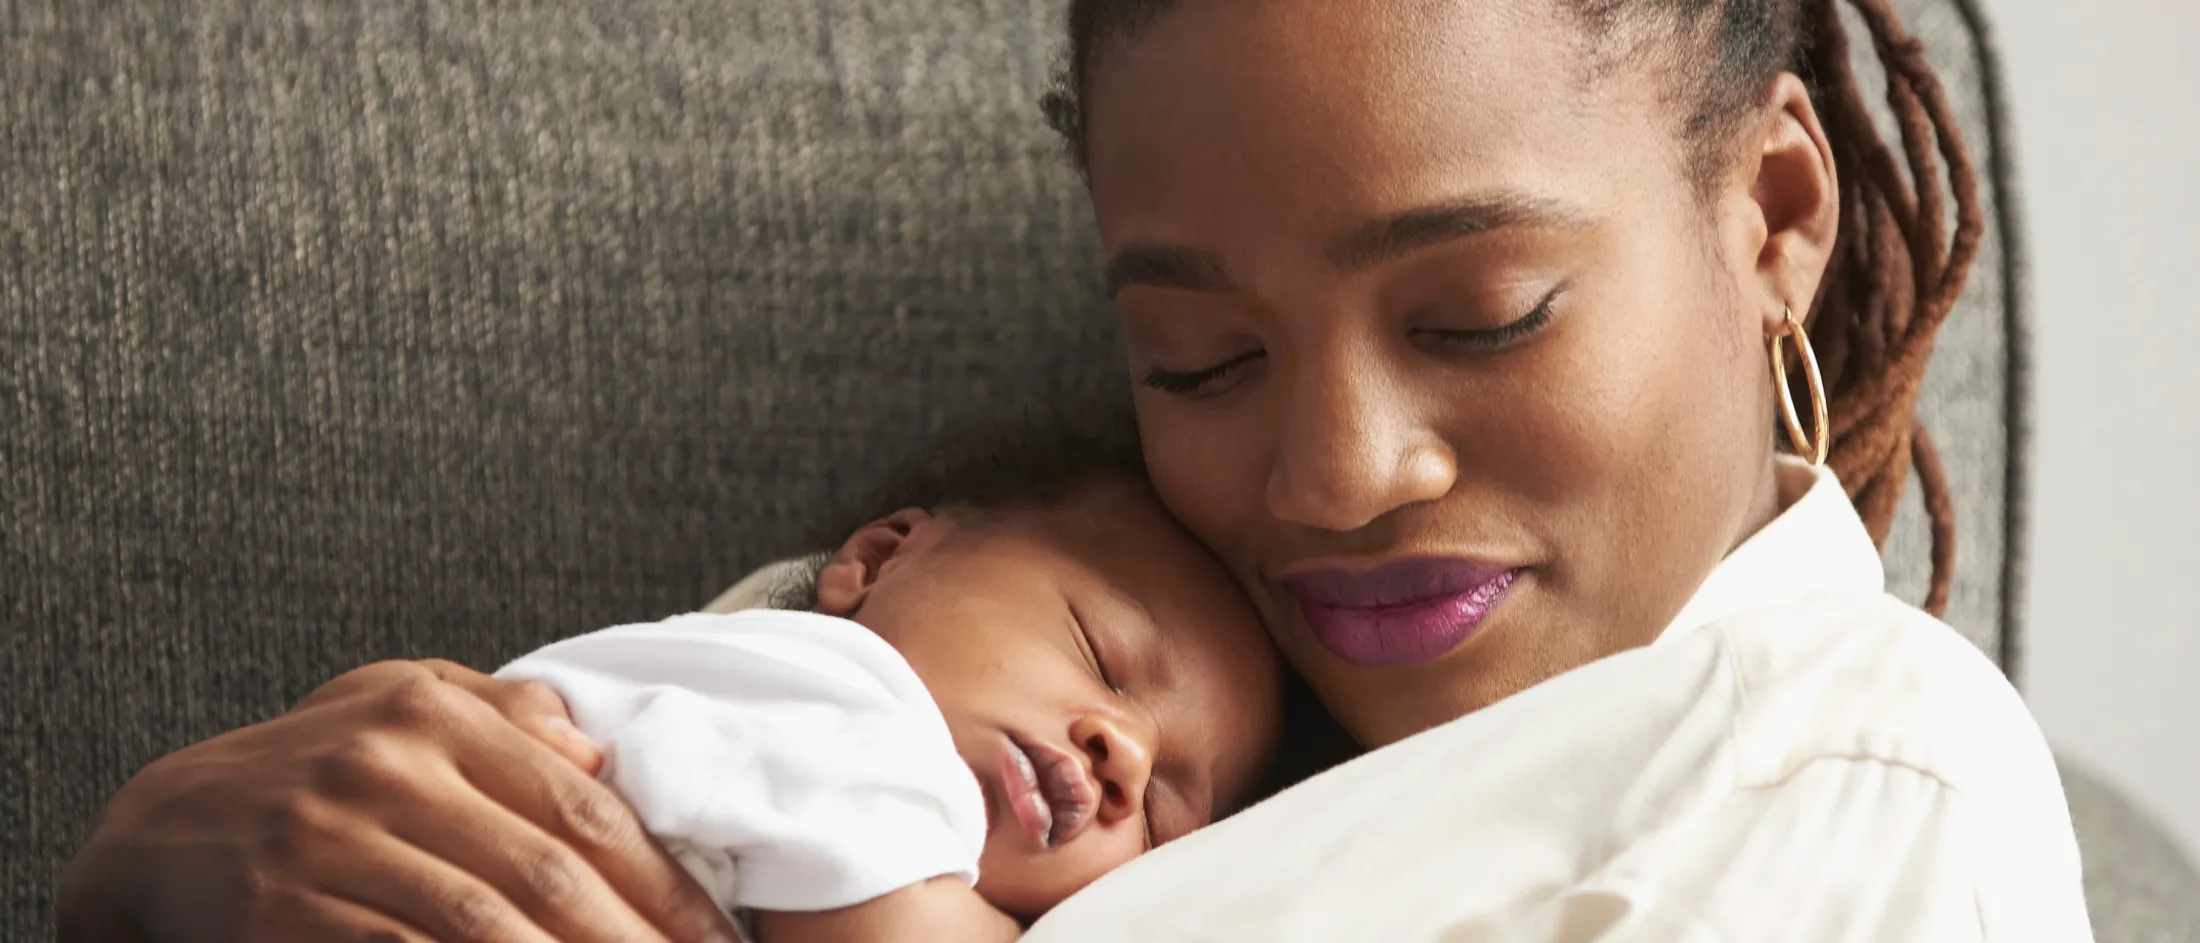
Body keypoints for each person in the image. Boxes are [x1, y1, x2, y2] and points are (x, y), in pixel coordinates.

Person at [55, 0, 2093, 940]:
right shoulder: (1022, 637)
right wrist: (157, 869)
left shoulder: (1852, 778)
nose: (1332, 476)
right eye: (1198, 358)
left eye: (1480, 312)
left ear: (1772, 213)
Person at [490, 441, 1281, 941]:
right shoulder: (835, 689)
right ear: (877, 559)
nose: (1127, 755)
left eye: (1159, 815)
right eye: (1100, 653)